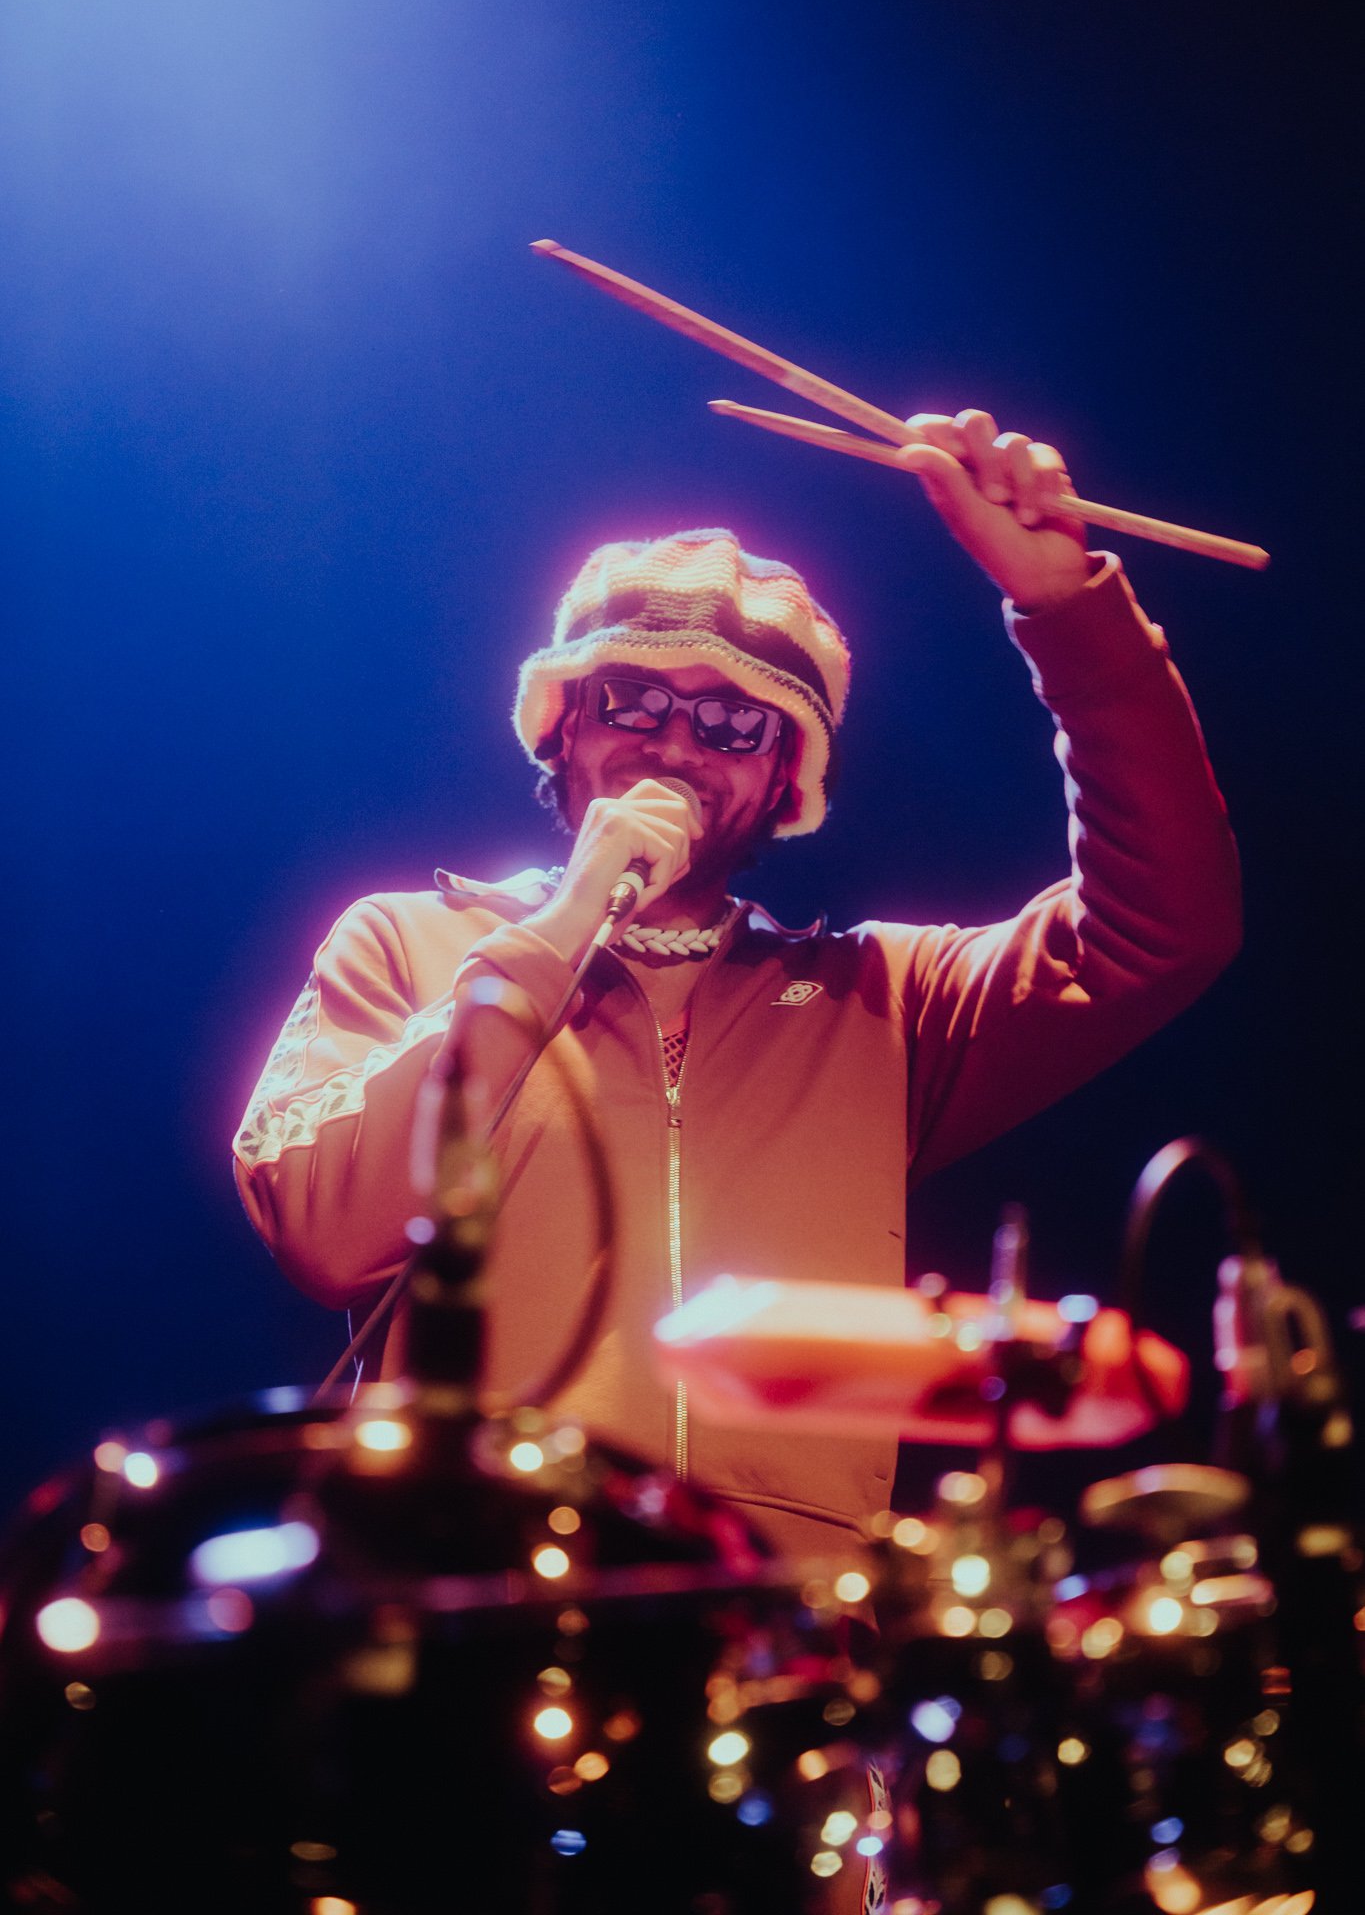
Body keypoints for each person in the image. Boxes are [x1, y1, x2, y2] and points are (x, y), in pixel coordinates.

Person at [233, 410, 1241, 1560]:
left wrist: (1069, 610)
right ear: (560, 729)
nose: (673, 745)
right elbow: (320, 1225)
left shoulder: (885, 999)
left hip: (772, 1647)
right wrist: (558, 926)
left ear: (783, 783)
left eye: (729, 721)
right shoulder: (409, 943)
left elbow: (1168, 926)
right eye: (633, 701)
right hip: (480, 1608)